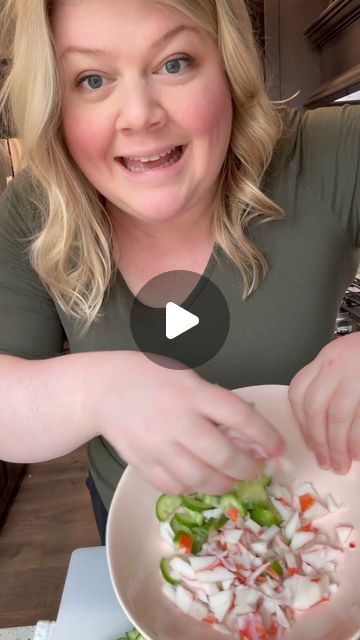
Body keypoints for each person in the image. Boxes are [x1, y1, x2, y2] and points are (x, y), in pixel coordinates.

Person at [0, 0, 358, 546]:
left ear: (228, 64)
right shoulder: (32, 208)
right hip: (138, 529)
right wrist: (98, 391)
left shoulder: (328, 151)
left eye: (174, 63)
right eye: (92, 79)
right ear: (56, 102)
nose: (140, 115)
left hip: (315, 517)